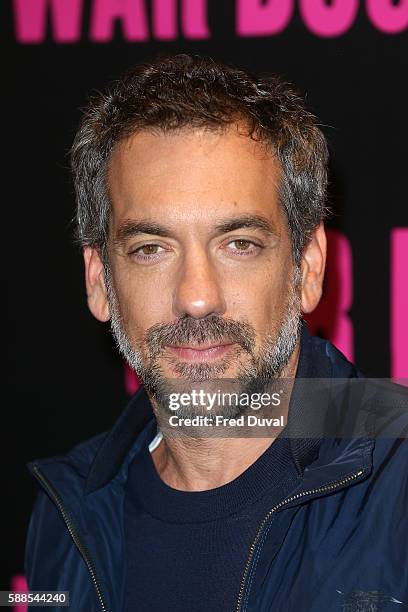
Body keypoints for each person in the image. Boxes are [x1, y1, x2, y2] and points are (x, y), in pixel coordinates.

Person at [25, 54, 407, 612]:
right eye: (151, 249)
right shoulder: (67, 510)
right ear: (100, 280)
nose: (196, 296)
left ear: (309, 266)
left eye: (239, 244)